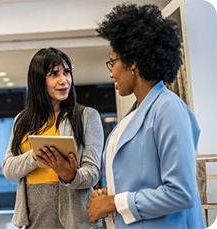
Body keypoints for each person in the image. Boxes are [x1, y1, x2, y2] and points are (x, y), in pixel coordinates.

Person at [87, 3, 205, 228]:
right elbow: (141, 178)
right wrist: (107, 192)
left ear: (133, 62)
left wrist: (113, 202)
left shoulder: (169, 108)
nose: (111, 72)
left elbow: (181, 192)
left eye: (113, 62)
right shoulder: (135, 113)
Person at [2, 47, 104, 228]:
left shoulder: (87, 116)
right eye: (54, 74)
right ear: (38, 80)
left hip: (77, 218)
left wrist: (69, 174)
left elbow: (93, 173)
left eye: (67, 72)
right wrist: (35, 156)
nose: (63, 80)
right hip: (35, 217)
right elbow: (9, 169)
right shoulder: (22, 120)